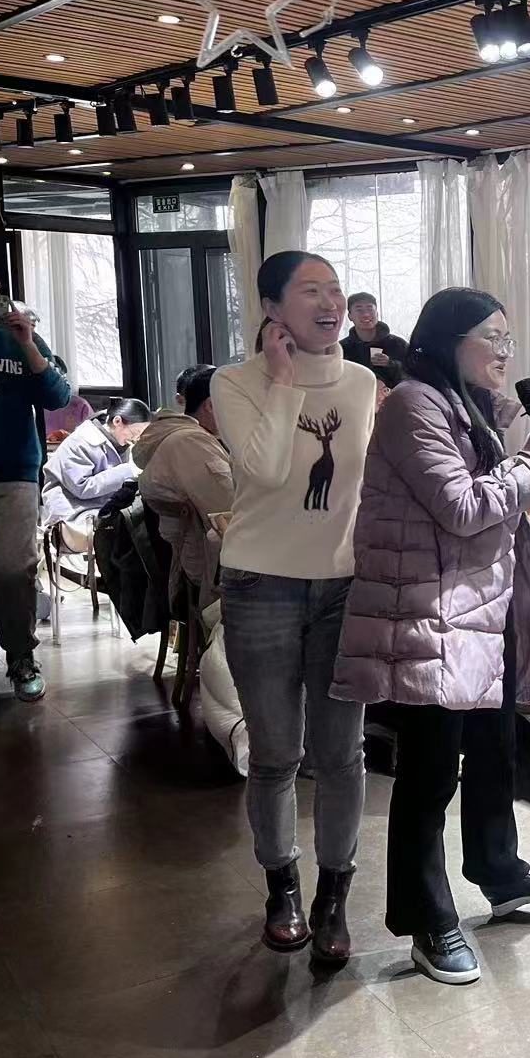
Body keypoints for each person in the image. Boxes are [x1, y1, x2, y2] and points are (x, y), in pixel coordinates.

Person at [332, 288, 530, 986]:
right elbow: (463, 507)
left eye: (508, 339)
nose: (504, 351)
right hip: (428, 611)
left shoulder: (466, 405)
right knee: (431, 772)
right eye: (492, 337)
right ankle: (426, 920)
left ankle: (499, 870)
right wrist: (528, 460)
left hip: (478, 607)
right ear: (449, 339)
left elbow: (494, 497)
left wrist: (520, 453)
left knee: (495, 748)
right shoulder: (412, 405)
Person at [213, 251, 379, 965]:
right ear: (273, 309)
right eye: (310, 291)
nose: (330, 302)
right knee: (277, 753)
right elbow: (267, 469)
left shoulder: (363, 382)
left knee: (341, 755)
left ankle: (334, 896)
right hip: (261, 585)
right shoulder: (235, 382)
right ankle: (281, 887)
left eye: (335, 289)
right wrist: (282, 381)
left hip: (343, 588)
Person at [0, 281, 72, 702]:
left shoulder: (21, 336)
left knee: (12, 567)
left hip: (15, 471)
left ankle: (21, 657)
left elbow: (58, 396)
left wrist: (27, 343)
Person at [134, 365, 234, 609]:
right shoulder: (190, 443)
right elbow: (229, 511)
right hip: (207, 567)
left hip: (193, 557)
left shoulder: (180, 436)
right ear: (211, 405)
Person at [41, 397, 152, 549]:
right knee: (133, 530)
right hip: (74, 512)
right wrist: (127, 471)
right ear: (117, 421)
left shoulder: (120, 443)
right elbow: (82, 487)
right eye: (135, 432)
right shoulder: (80, 441)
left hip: (100, 508)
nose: (135, 438)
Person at [341, 292, 409, 366]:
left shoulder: (398, 344)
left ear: (377, 314)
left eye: (370, 309)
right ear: (350, 316)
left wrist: (390, 364)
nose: (366, 314)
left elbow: (414, 369)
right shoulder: (341, 349)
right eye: (359, 310)